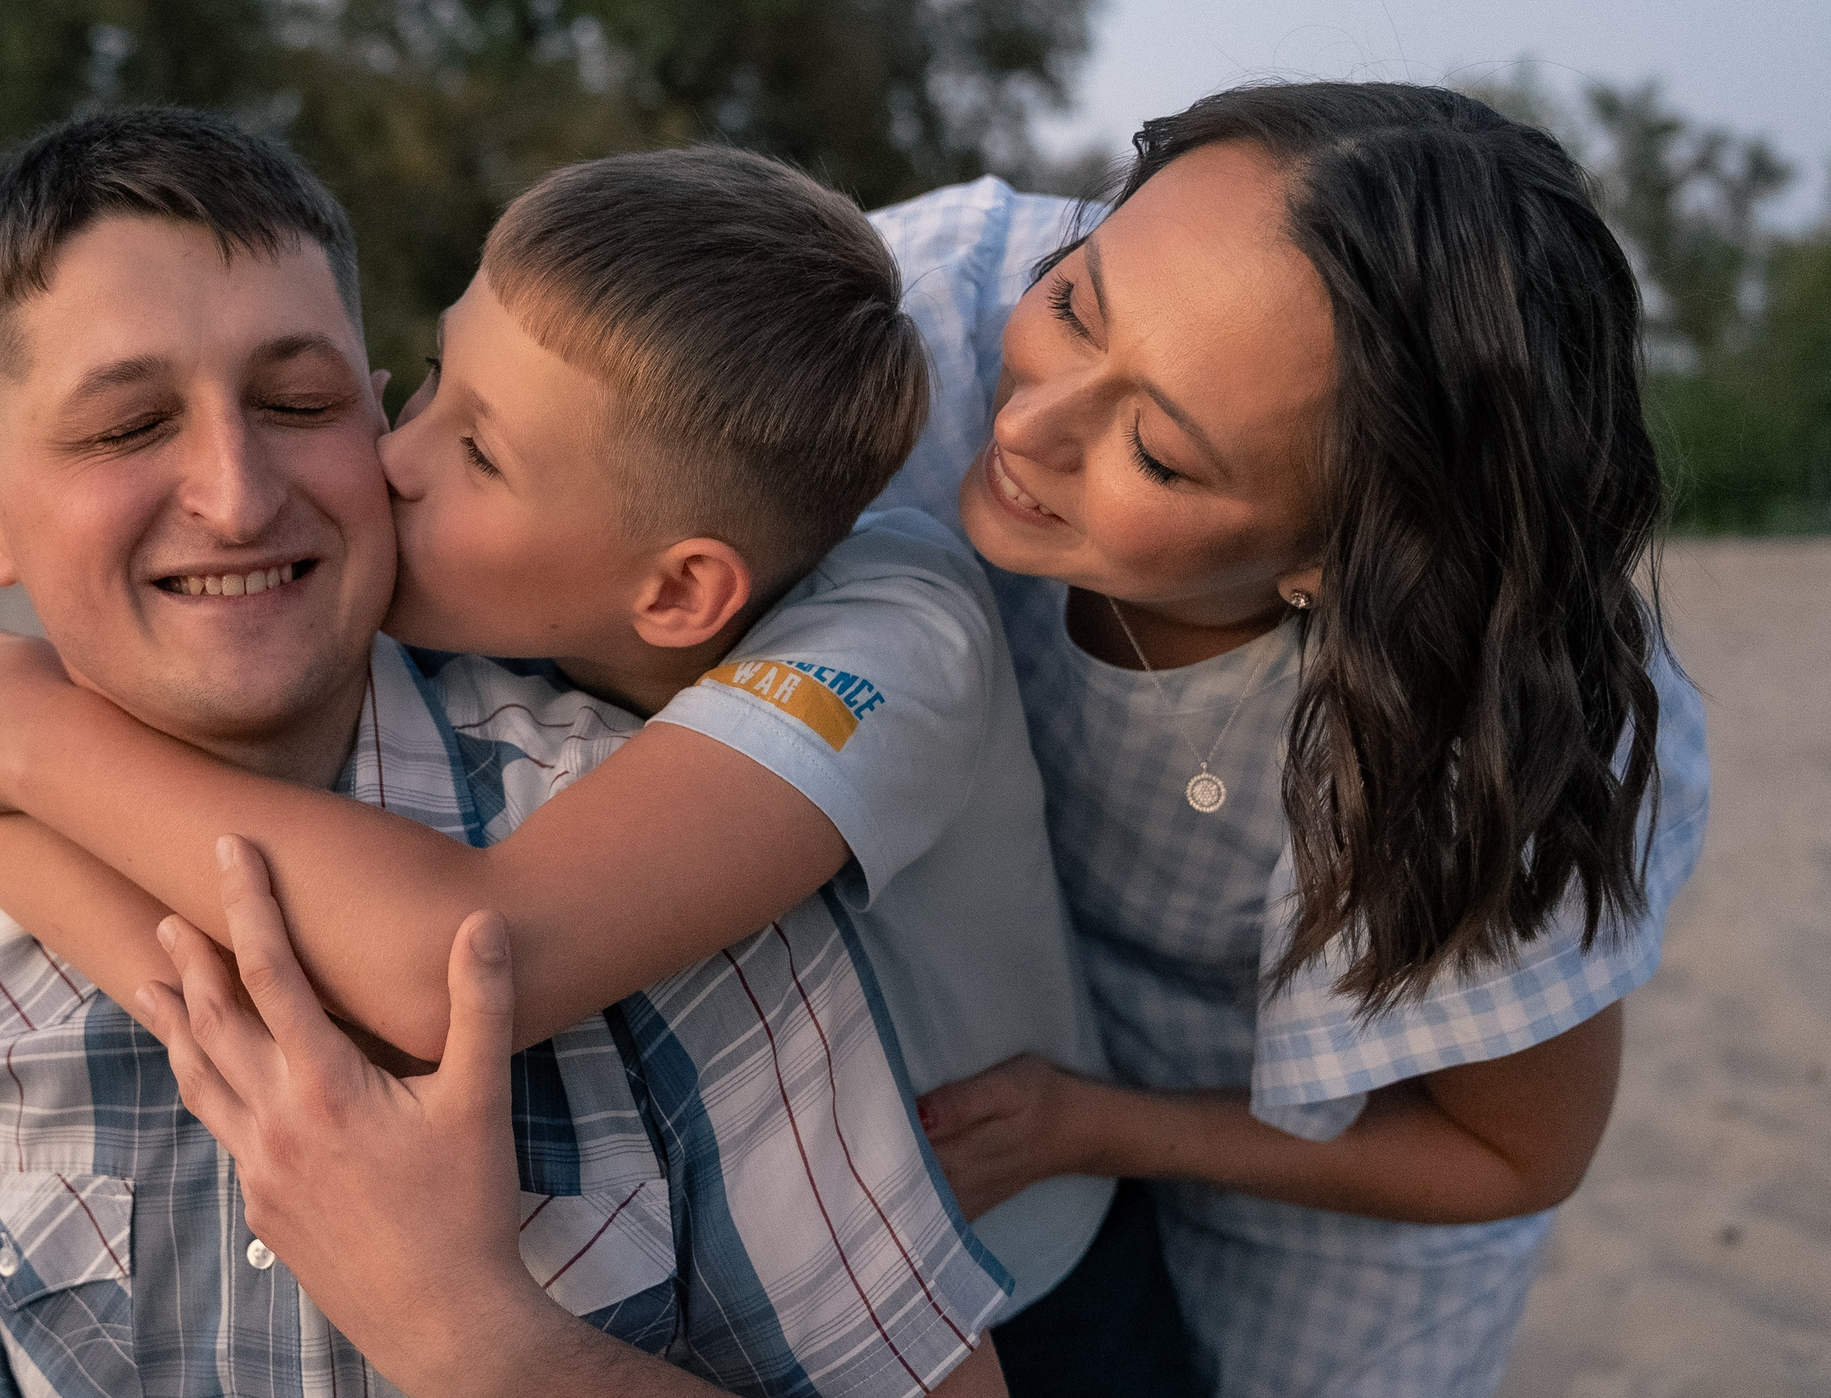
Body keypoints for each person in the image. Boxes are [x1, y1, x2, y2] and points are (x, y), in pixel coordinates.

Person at [131, 82, 1711, 1398]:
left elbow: (1510, 1153)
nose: (1025, 423)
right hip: (976, 1097)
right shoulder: (943, 304)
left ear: (1336, 559)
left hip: (1330, 1160)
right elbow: (605, 404)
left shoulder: (1470, 734)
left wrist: (1100, 1122)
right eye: (1079, 300)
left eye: (1157, 451)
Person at [0, 108, 1014, 1397]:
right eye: (128, 429)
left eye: (302, 402)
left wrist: (493, 1349)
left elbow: (449, 951)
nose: (238, 497)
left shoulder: (651, 863)